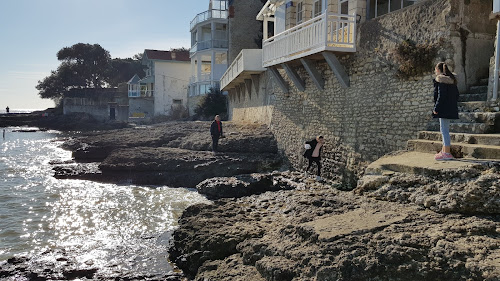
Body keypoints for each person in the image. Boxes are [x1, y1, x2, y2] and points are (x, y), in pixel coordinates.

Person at [433, 62, 459, 161]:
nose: (435, 71)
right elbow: (457, 95)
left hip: (443, 109)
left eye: (435, 69)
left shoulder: (441, 80)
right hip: (451, 108)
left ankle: (447, 153)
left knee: (444, 131)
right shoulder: (452, 81)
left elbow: (441, 96)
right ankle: (444, 151)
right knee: (445, 129)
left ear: (438, 70)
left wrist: (436, 108)